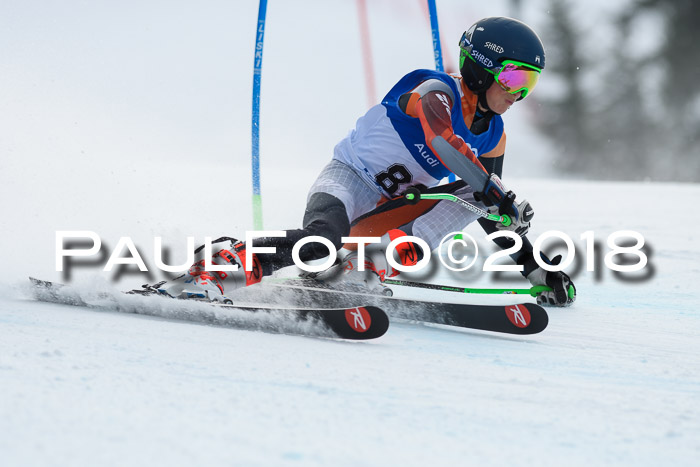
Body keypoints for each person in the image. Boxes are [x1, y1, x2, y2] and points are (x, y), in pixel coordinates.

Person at [163, 16, 576, 307]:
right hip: (347, 181)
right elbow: (444, 143)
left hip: (390, 208)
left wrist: (534, 268)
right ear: (482, 71)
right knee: (321, 241)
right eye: (515, 79)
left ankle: (361, 271)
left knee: (481, 194)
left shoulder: (493, 133)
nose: (518, 95)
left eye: (529, 84)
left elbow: (488, 206)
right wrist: (494, 192)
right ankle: (216, 267)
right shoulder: (432, 89)